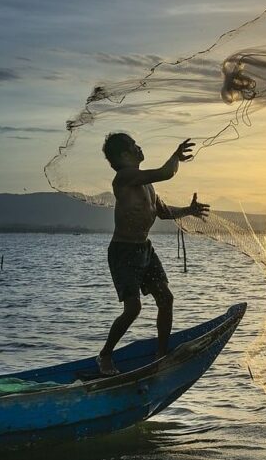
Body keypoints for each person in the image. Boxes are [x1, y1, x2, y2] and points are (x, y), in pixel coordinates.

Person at [97, 132, 210, 376]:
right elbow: (166, 172)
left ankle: (161, 354)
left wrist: (188, 210)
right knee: (133, 309)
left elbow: (163, 212)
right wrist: (176, 156)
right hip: (123, 251)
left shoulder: (147, 184)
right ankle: (105, 355)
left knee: (166, 299)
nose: (140, 148)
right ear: (124, 155)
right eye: (134, 146)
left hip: (144, 249)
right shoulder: (125, 178)